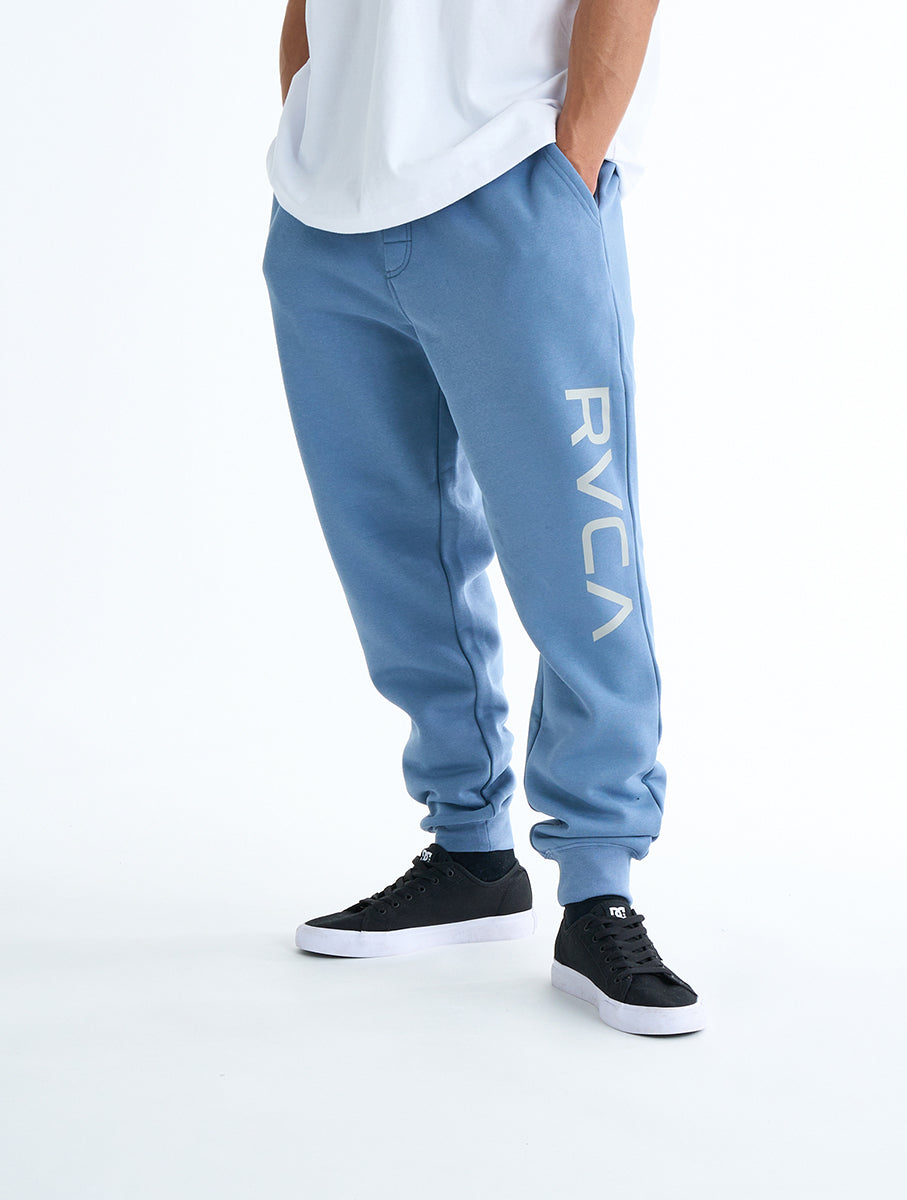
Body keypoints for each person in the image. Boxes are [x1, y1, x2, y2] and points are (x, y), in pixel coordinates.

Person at [261, 0, 705, 1037]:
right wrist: (308, 122)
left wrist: (573, 161)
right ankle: (470, 853)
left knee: (579, 559)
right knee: (392, 559)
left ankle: (598, 887)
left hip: (512, 180)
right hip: (326, 214)